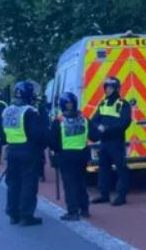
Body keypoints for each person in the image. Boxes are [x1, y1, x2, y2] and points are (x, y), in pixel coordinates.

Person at [3, 80, 46, 226]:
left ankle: (12, 214)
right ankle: (26, 215)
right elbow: (38, 134)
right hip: (28, 151)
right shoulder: (30, 111)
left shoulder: (7, 111)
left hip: (12, 150)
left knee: (13, 183)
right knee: (28, 184)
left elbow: (2, 134)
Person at [89, 76, 132, 206]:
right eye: (106, 87)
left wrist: (107, 129)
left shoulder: (123, 104)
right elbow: (94, 120)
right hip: (104, 142)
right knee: (103, 168)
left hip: (116, 141)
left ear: (116, 89)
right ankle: (104, 194)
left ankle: (122, 195)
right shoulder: (103, 103)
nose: (107, 90)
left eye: (110, 87)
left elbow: (124, 122)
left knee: (121, 168)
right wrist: (98, 128)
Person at [49, 92, 90, 221]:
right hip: (82, 155)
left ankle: (73, 211)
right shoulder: (84, 119)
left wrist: (55, 154)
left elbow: (53, 142)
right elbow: (95, 135)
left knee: (70, 184)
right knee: (81, 182)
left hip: (66, 156)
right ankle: (84, 209)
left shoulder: (59, 121)